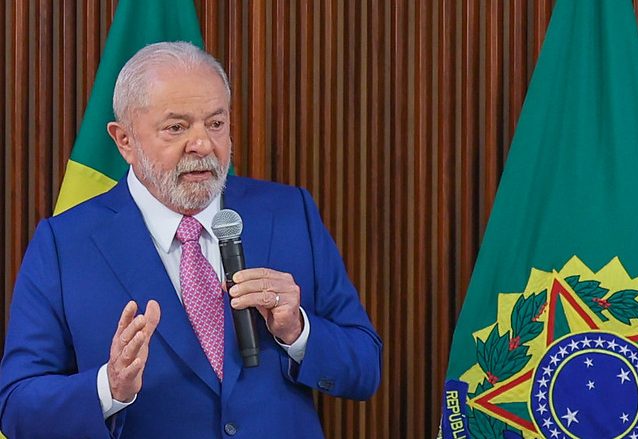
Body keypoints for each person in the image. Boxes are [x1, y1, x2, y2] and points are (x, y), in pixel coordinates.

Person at [0, 41, 382, 438]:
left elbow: (365, 366)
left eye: (216, 124)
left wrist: (297, 332)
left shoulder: (289, 213)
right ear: (124, 140)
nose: (202, 144)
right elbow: (17, 406)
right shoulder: (64, 245)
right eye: (176, 127)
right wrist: (108, 388)